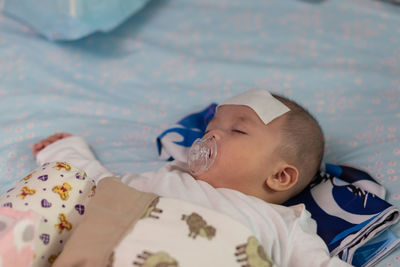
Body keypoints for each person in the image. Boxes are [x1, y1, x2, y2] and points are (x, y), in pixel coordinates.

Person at [29, 89, 350, 266]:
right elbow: (99, 186)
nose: (211, 138)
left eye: (237, 130)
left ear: (280, 175)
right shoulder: (169, 178)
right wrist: (67, 153)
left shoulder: (284, 225)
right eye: (210, 129)